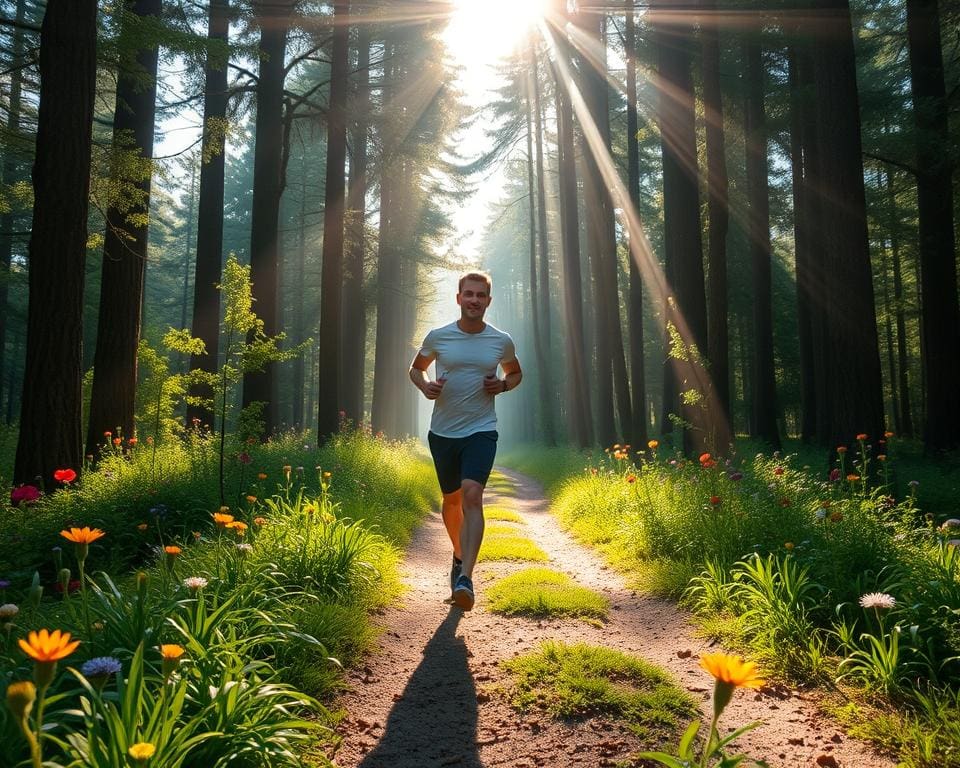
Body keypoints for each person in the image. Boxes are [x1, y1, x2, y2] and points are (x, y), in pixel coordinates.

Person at [409, 272, 522, 611]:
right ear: (458, 298)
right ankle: (459, 555)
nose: (474, 300)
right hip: (443, 432)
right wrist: (424, 386)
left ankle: (466, 579)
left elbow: (515, 372)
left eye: (481, 295)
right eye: (468, 294)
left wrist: (502, 385)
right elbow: (416, 368)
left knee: (473, 495)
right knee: (452, 501)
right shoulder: (439, 336)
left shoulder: (500, 341)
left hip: (481, 429)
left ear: (488, 300)